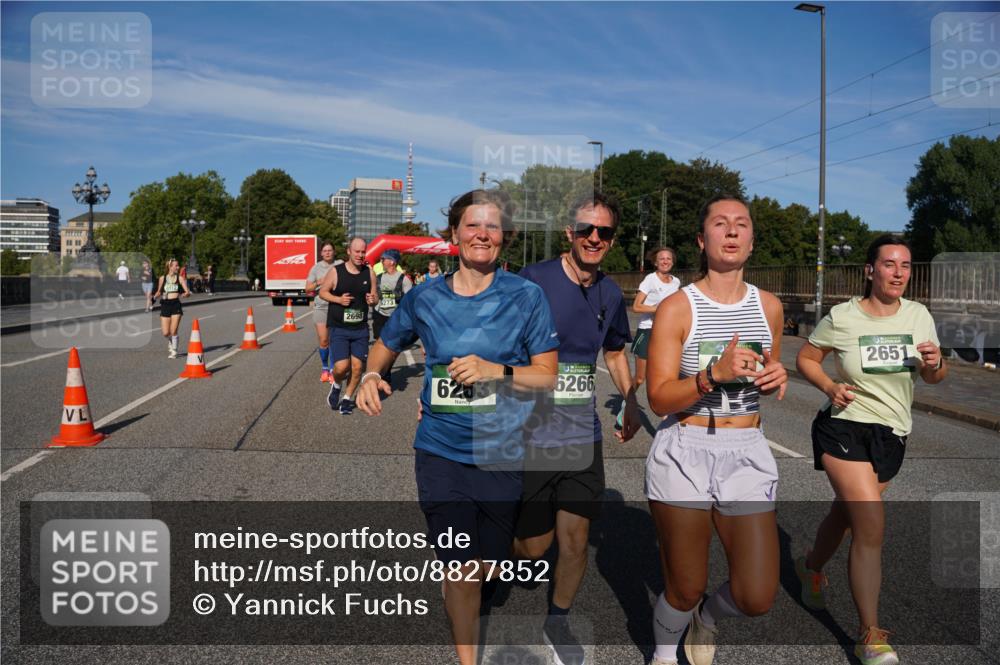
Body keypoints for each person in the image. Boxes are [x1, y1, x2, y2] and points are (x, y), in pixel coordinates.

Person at [355, 189, 559, 665]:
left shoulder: (527, 297)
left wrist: (498, 371)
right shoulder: (425, 297)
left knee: (497, 562)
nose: (482, 234)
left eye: (492, 227)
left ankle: (497, 560)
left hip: (502, 451)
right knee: (461, 568)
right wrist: (369, 374)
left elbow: (547, 377)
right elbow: (386, 344)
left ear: (503, 239)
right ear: (453, 233)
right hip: (440, 451)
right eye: (473, 225)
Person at [645, 194, 788, 665]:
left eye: (742, 224)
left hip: (746, 448)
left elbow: (765, 375)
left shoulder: (769, 307)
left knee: (757, 595)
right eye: (721, 224)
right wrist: (711, 376)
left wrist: (773, 379)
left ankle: (708, 616)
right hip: (686, 445)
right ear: (701, 240)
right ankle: (665, 655)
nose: (732, 231)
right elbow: (659, 397)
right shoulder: (678, 308)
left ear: (751, 240)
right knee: (683, 587)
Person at [795, 235, 946, 665]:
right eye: (889, 264)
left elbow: (935, 376)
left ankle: (810, 567)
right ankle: (869, 635)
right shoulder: (843, 317)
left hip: (891, 434)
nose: (899, 272)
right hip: (843, 428)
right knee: (871, 523)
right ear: (869, 270)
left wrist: (935, 364)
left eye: (905, 266)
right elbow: (807, 357)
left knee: (845, 515)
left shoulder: (919, 316)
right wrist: (829, 385)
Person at [513, 191, 641, 665]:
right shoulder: (534, 280)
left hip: (580, 433)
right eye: (585, 230)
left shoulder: (609, 292)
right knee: (532, 547)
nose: (594, 238)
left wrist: (630, 399)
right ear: (569, 233)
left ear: (610, 240)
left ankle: (558, 618)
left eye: (603, 232)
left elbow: (613, 352)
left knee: (575, 540)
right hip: (529, 428)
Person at [319, 237, 378, 415]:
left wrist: (373, 300)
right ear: (349, 252)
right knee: (341, 367)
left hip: (360, 328)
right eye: (357, 252)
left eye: (363, 252)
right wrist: (338, 299)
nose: (360, 255)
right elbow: (322, 292)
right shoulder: (336, 272)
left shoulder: (369, 272)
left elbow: (375, 299)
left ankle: (346, 399)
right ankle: (336, 385)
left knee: (358, 367)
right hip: (339, 327)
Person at [631, 247, 681, 388]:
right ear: (655, 263)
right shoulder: (650, 279)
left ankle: (666, 408)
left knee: (668, 376)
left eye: (668, 258)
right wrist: (660, 309)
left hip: (666, 333)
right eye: (662, 259)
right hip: (647, 331)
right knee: (640, 378)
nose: (665, 261)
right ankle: (627, 401)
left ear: (673, 262)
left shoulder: (676, 282)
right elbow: (636, 306)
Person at [371, 248, 413, 385]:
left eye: (384, 259)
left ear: (392, 262)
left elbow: (410, 301)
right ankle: (379, 372)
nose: (381, 261)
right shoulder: (378, 278)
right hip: (379, 315)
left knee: (391, 348)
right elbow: (375, 297)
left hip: (395, 317)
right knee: (379, 344)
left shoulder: (404, 280)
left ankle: (386, 370)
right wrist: (371, 300)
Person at [306, 242, 340, 382]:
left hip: (337, 306)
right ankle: (325, 367)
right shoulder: (316, 268)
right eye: (324, 251)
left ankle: (333, 369)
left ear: (334, 252)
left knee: (334, 340)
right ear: (321, 253)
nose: (327, 253)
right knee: (324, 340)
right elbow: (308, 288)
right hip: (321, 307)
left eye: (329, 250)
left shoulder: (340, 264)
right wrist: (318, 282)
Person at [152, 258, 191, 358]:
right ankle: (170, 340)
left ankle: (174, 350)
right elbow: (159, 291)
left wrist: (186, 294)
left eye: (178, 265)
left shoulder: (180, 278)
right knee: (166, 333)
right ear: (170, 266)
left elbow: (187, 292)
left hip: (175, 304)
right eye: (176, 265)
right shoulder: (162, 278)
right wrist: (154, 298)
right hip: (165, 304)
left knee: (173, 331)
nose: (178, 267)